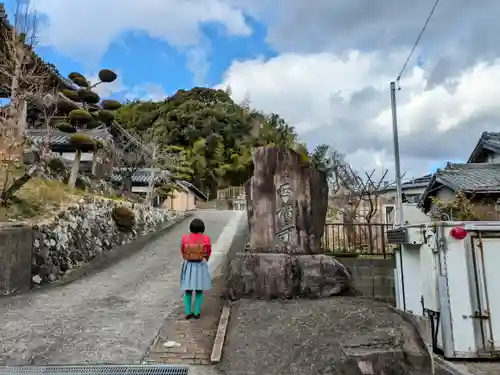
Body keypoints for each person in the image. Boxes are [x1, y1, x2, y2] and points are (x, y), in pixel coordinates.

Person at [180, 218, 212, 319]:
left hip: (189, 264)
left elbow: (183, 250)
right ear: (202, 228)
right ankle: (197, 312)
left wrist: (186, 257)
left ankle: (188, 312)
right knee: (199, 290)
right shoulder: (206, 239)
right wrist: (205, 258)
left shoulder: (185, 238)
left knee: (188, 290)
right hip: (200, 265)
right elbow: (208, 251)